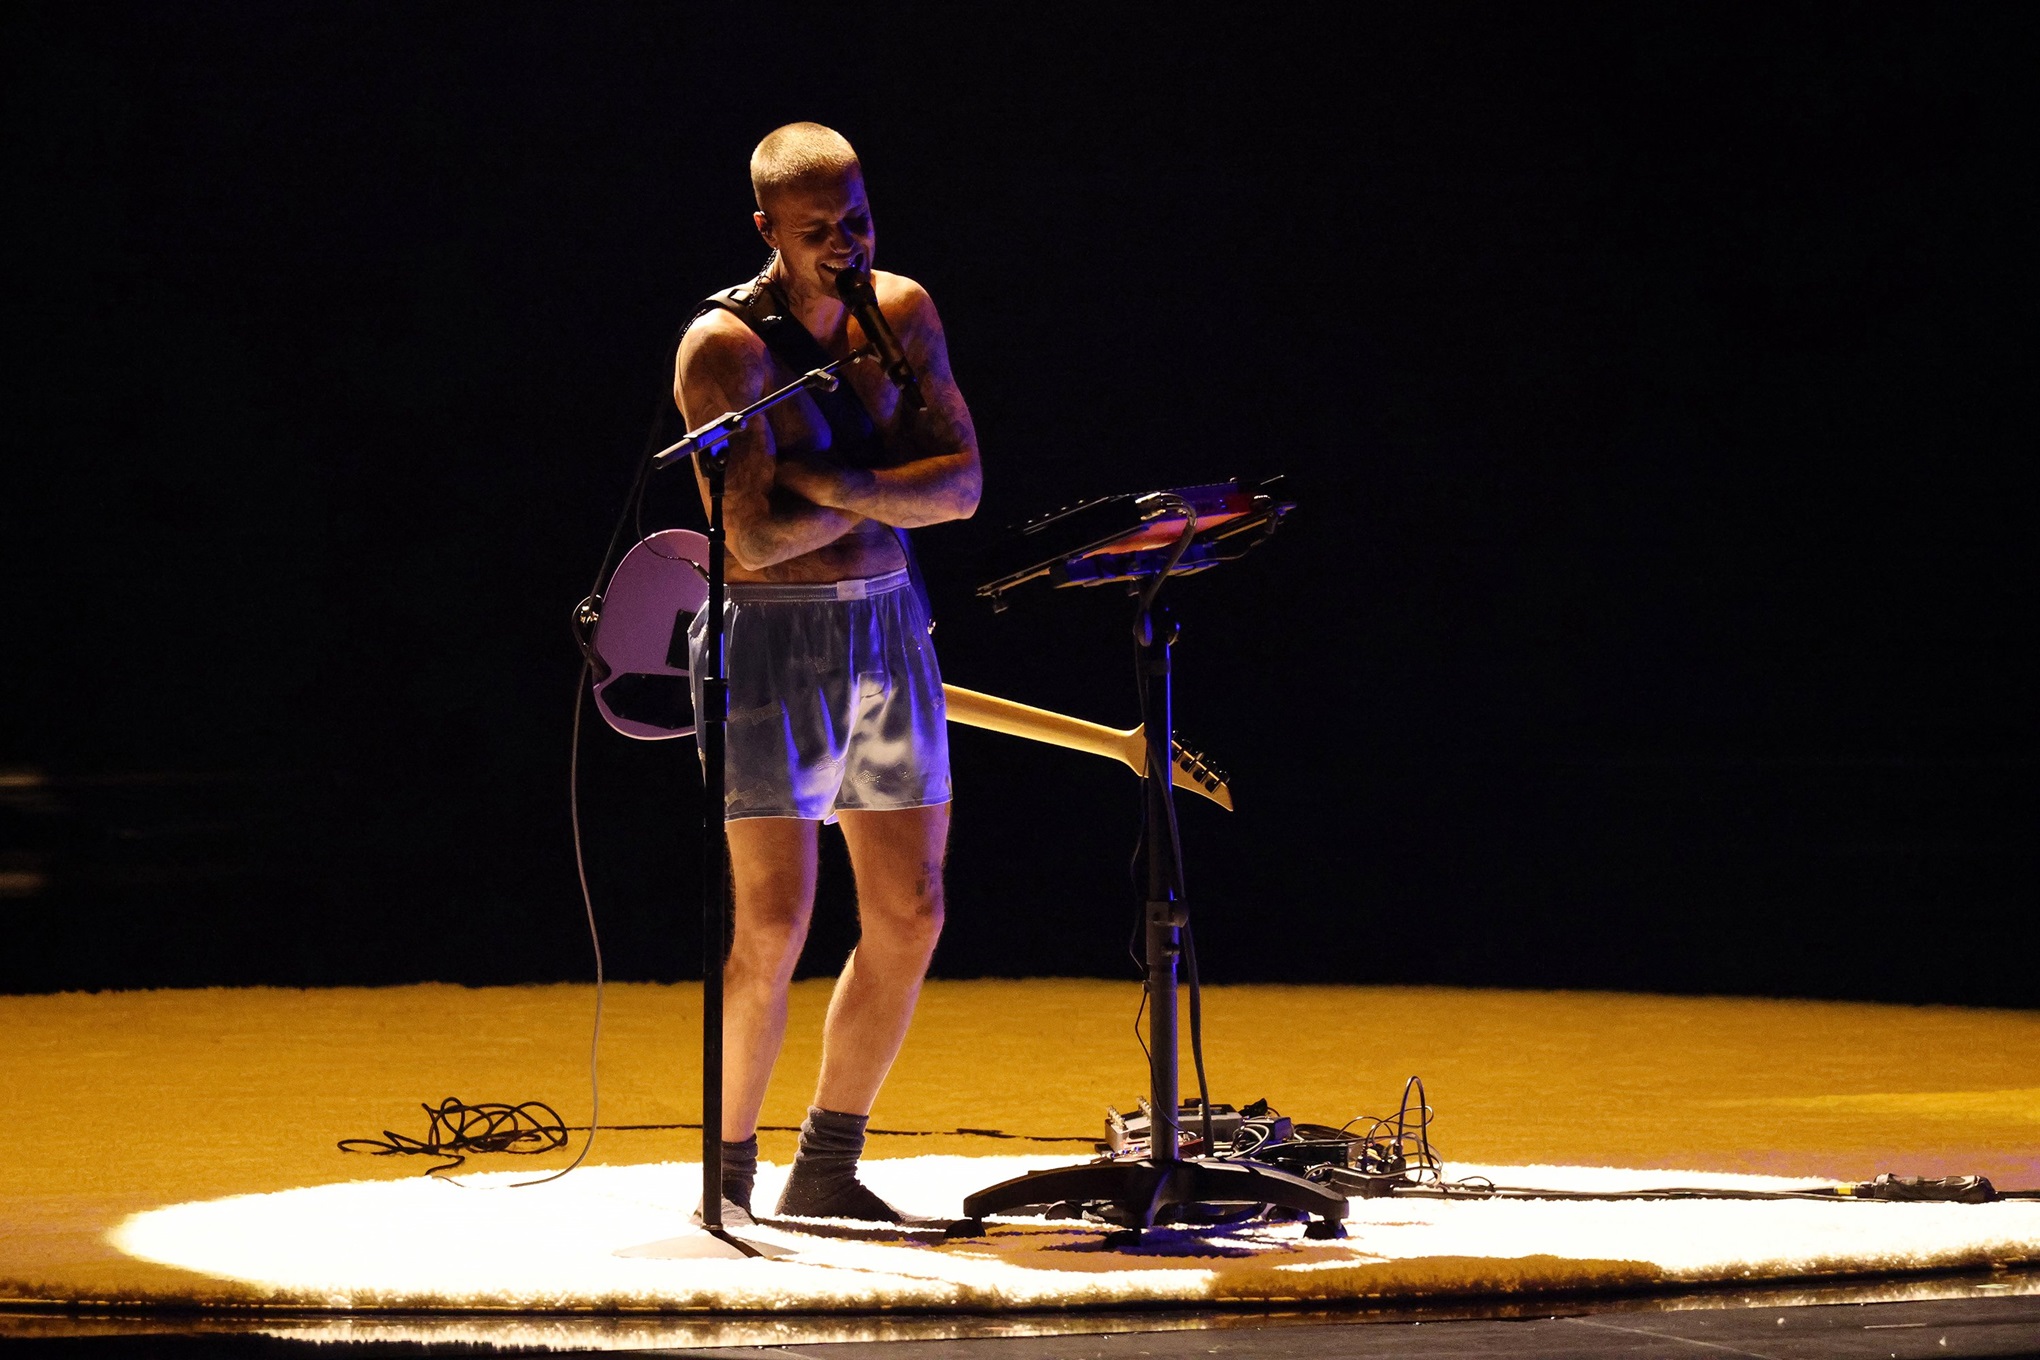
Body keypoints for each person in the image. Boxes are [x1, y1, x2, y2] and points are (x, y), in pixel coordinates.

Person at [674, 123, 982, 1223]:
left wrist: (835, 482)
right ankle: (726, 1173)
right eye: (818, 232)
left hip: (887, 627)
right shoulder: (726, 353)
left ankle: (827, 1164)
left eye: (858, 219)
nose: (846, 245)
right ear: (766, 231)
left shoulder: (901, 312)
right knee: (773, 923)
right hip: (773, 646)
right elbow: (751, 540)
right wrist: (887, 483)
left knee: (911, 905)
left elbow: (963, 489)